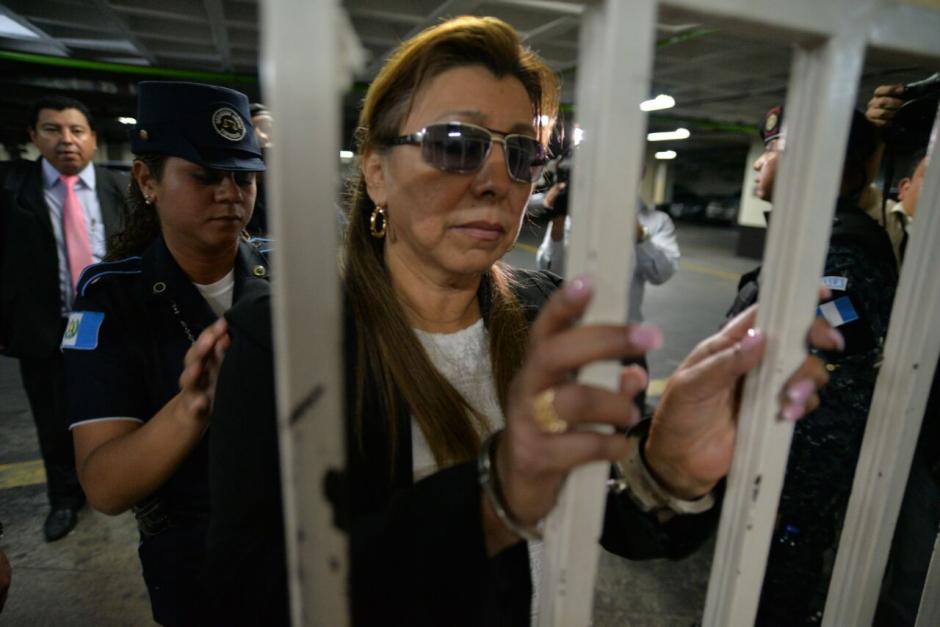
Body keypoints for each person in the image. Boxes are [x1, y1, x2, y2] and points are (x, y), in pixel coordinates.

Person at [206, 16, 838, 626]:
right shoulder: (288, 338)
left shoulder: (548, 318)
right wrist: (491, 501)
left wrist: (665, 469)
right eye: (456, 145)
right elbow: (249, 595)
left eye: (520, 156)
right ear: (376, 172)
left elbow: (607, 517)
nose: (495, 184)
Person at [61, 81, 268, 627]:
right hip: (193, 557)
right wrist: (192, 406)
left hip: (297, 539)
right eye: (204, 177)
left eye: (244, 178)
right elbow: (105, 485)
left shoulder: (285, 272)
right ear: (147, 181)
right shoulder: (109, 299)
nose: (230, 194)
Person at [732, 105, 899, 625]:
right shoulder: (815, 239)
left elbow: (841, 362)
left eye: (774, 148)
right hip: (776, 466)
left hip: (796, 476)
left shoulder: (840, 250)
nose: (760, 163)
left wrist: (782, 492)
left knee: (773, 595)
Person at [0, 95, 128, 541]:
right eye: (53, 130)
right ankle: (64, 499)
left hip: (114, 328)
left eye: (77, 130)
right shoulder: (14, 191)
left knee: (122, 410)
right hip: (45, 328)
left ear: (93, 139)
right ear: (34, 137)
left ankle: (123, 486)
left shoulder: (121, 189)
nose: (66, 140)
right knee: (53, 420)